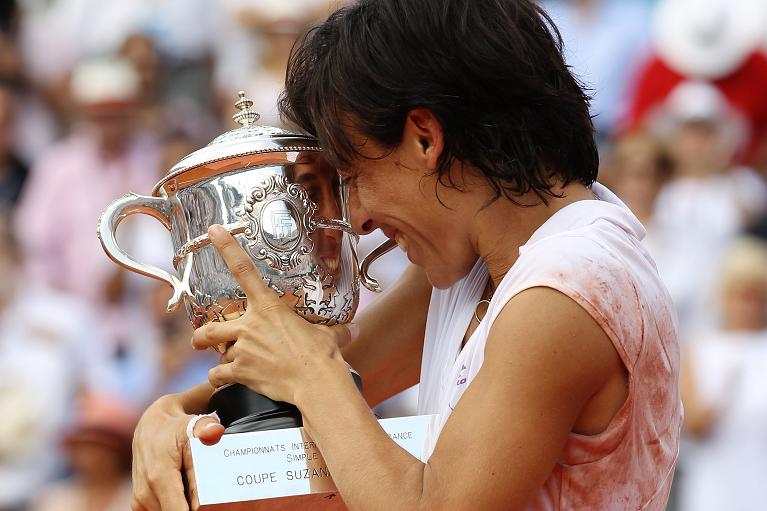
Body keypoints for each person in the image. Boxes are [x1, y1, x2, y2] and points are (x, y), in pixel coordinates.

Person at [130, 1, 681, 510]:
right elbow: (327, 371)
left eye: (354, 177)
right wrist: (173, 413)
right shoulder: (478, 269)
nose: (360, 219)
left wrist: (310, 371)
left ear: (424, 139)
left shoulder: (563, 294)